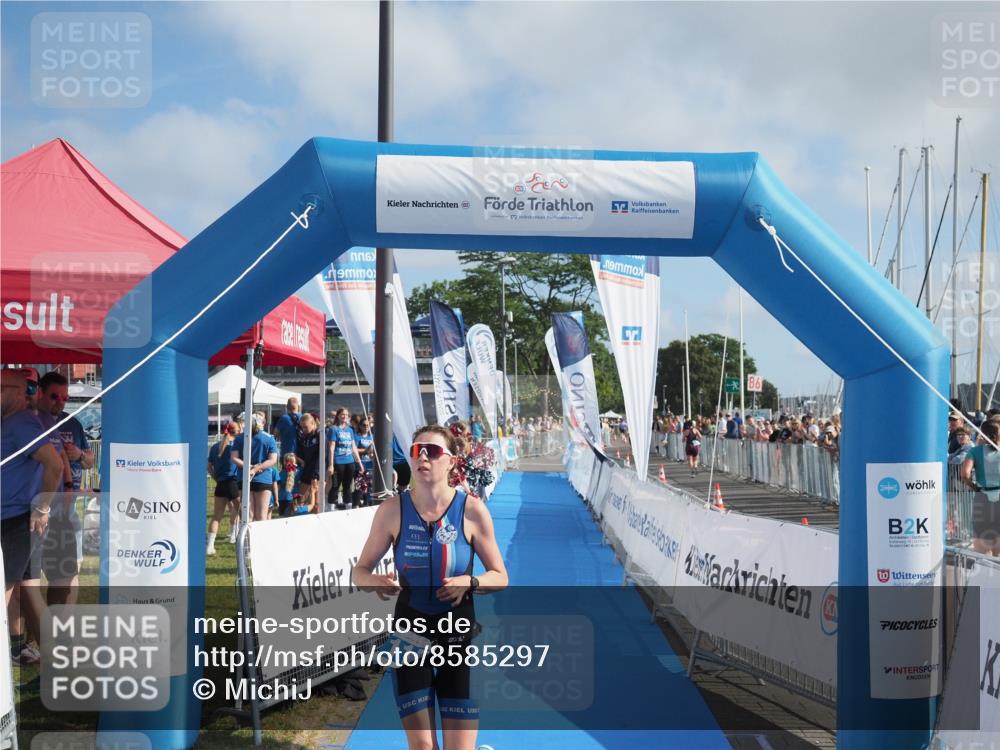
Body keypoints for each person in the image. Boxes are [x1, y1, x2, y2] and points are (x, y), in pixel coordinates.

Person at [352, 425, 508, 750]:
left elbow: (500, 576)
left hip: (457, 632)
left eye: (433, 451)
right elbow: (360, 571)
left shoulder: (471, 510)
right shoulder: (392, 510)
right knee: (422, 746)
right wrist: (373, 581)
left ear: (451, 461)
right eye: (416, 450)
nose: (423, 456)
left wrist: (471, 581)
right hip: (409, 630)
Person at [2, 369, 62, 666]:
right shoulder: (11, 422)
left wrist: (42, 508)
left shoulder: (23, 423)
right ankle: (22, 650)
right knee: (24, 589)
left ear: (17, 392)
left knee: (8, 589)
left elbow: (54, 465)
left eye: (1, 388)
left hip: (16, 519)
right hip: (13, 518)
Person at [37, 371, 89, 606]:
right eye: (54, 396)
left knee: (71, 571)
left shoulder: (73, 423)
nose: (60, 402)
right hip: (40, 508)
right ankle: (32, 637)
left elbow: (90, 461)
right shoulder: (34, 421)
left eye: (64, 398)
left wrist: (78, 454)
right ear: (41, 393)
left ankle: (64, 628)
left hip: (68, 510)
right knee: (33, 575)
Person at [961, 419, 1000, 556]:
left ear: (983, 434)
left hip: (982, 498)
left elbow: (965, 474)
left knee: (982, 548)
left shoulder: (975, 451)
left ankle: (985, 574)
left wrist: (974, 487)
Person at [231, 412, 278, 521]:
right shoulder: (269, 438)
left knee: (248, 516)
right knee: (262, 516)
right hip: (263, 478)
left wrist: (250, 467)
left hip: (245, 477)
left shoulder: (240, 438)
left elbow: (234, 458)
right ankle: (260, 538)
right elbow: (272, 460)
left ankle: (249, 538)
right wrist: (256, 468)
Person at [206, 416, 242, 555]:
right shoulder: (236, 446)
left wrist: (216, 478)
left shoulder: (215, 446)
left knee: (216, 517)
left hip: (220, 484)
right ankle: (238, 538)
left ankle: (210, 545)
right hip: (233, 482)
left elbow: (209, 466)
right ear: (237, 432)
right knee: (244, 513)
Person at [327, 408, 362, 510]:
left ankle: (348, 508)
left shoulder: (350, 430)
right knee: (335, 486)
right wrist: (331, 464)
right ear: (338, 415)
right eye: (342, 414)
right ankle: (331, 509)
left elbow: (353, 447)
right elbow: (331, 447)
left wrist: (359, 462)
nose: (344, 416)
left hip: (350, 461)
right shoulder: (333, 429)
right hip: (338, 461)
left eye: (346, 415)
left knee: (347, 486)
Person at [295, 413, 321, 513]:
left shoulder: (320, 435)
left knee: (316, 503)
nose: (303, 429)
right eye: (302, 427)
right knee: (302, 500)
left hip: (317, 472)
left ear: (313, 423)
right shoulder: (304, 437)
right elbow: (301, 454)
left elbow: (321, 456)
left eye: (305, 427)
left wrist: (316, 475)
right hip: (306, 471)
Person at [353, 416, 375, 507]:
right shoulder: (357, 437)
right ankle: (356, 504)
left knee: (369, 485)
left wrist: (371, 452)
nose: (366, 427)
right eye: (364, 425)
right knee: (359, 485)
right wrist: (366, 450)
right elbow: (354, 449)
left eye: (368, 425)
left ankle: (367, 504)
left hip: (370, 463)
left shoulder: (372, 437)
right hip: (360, 464)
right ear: (360, 426)